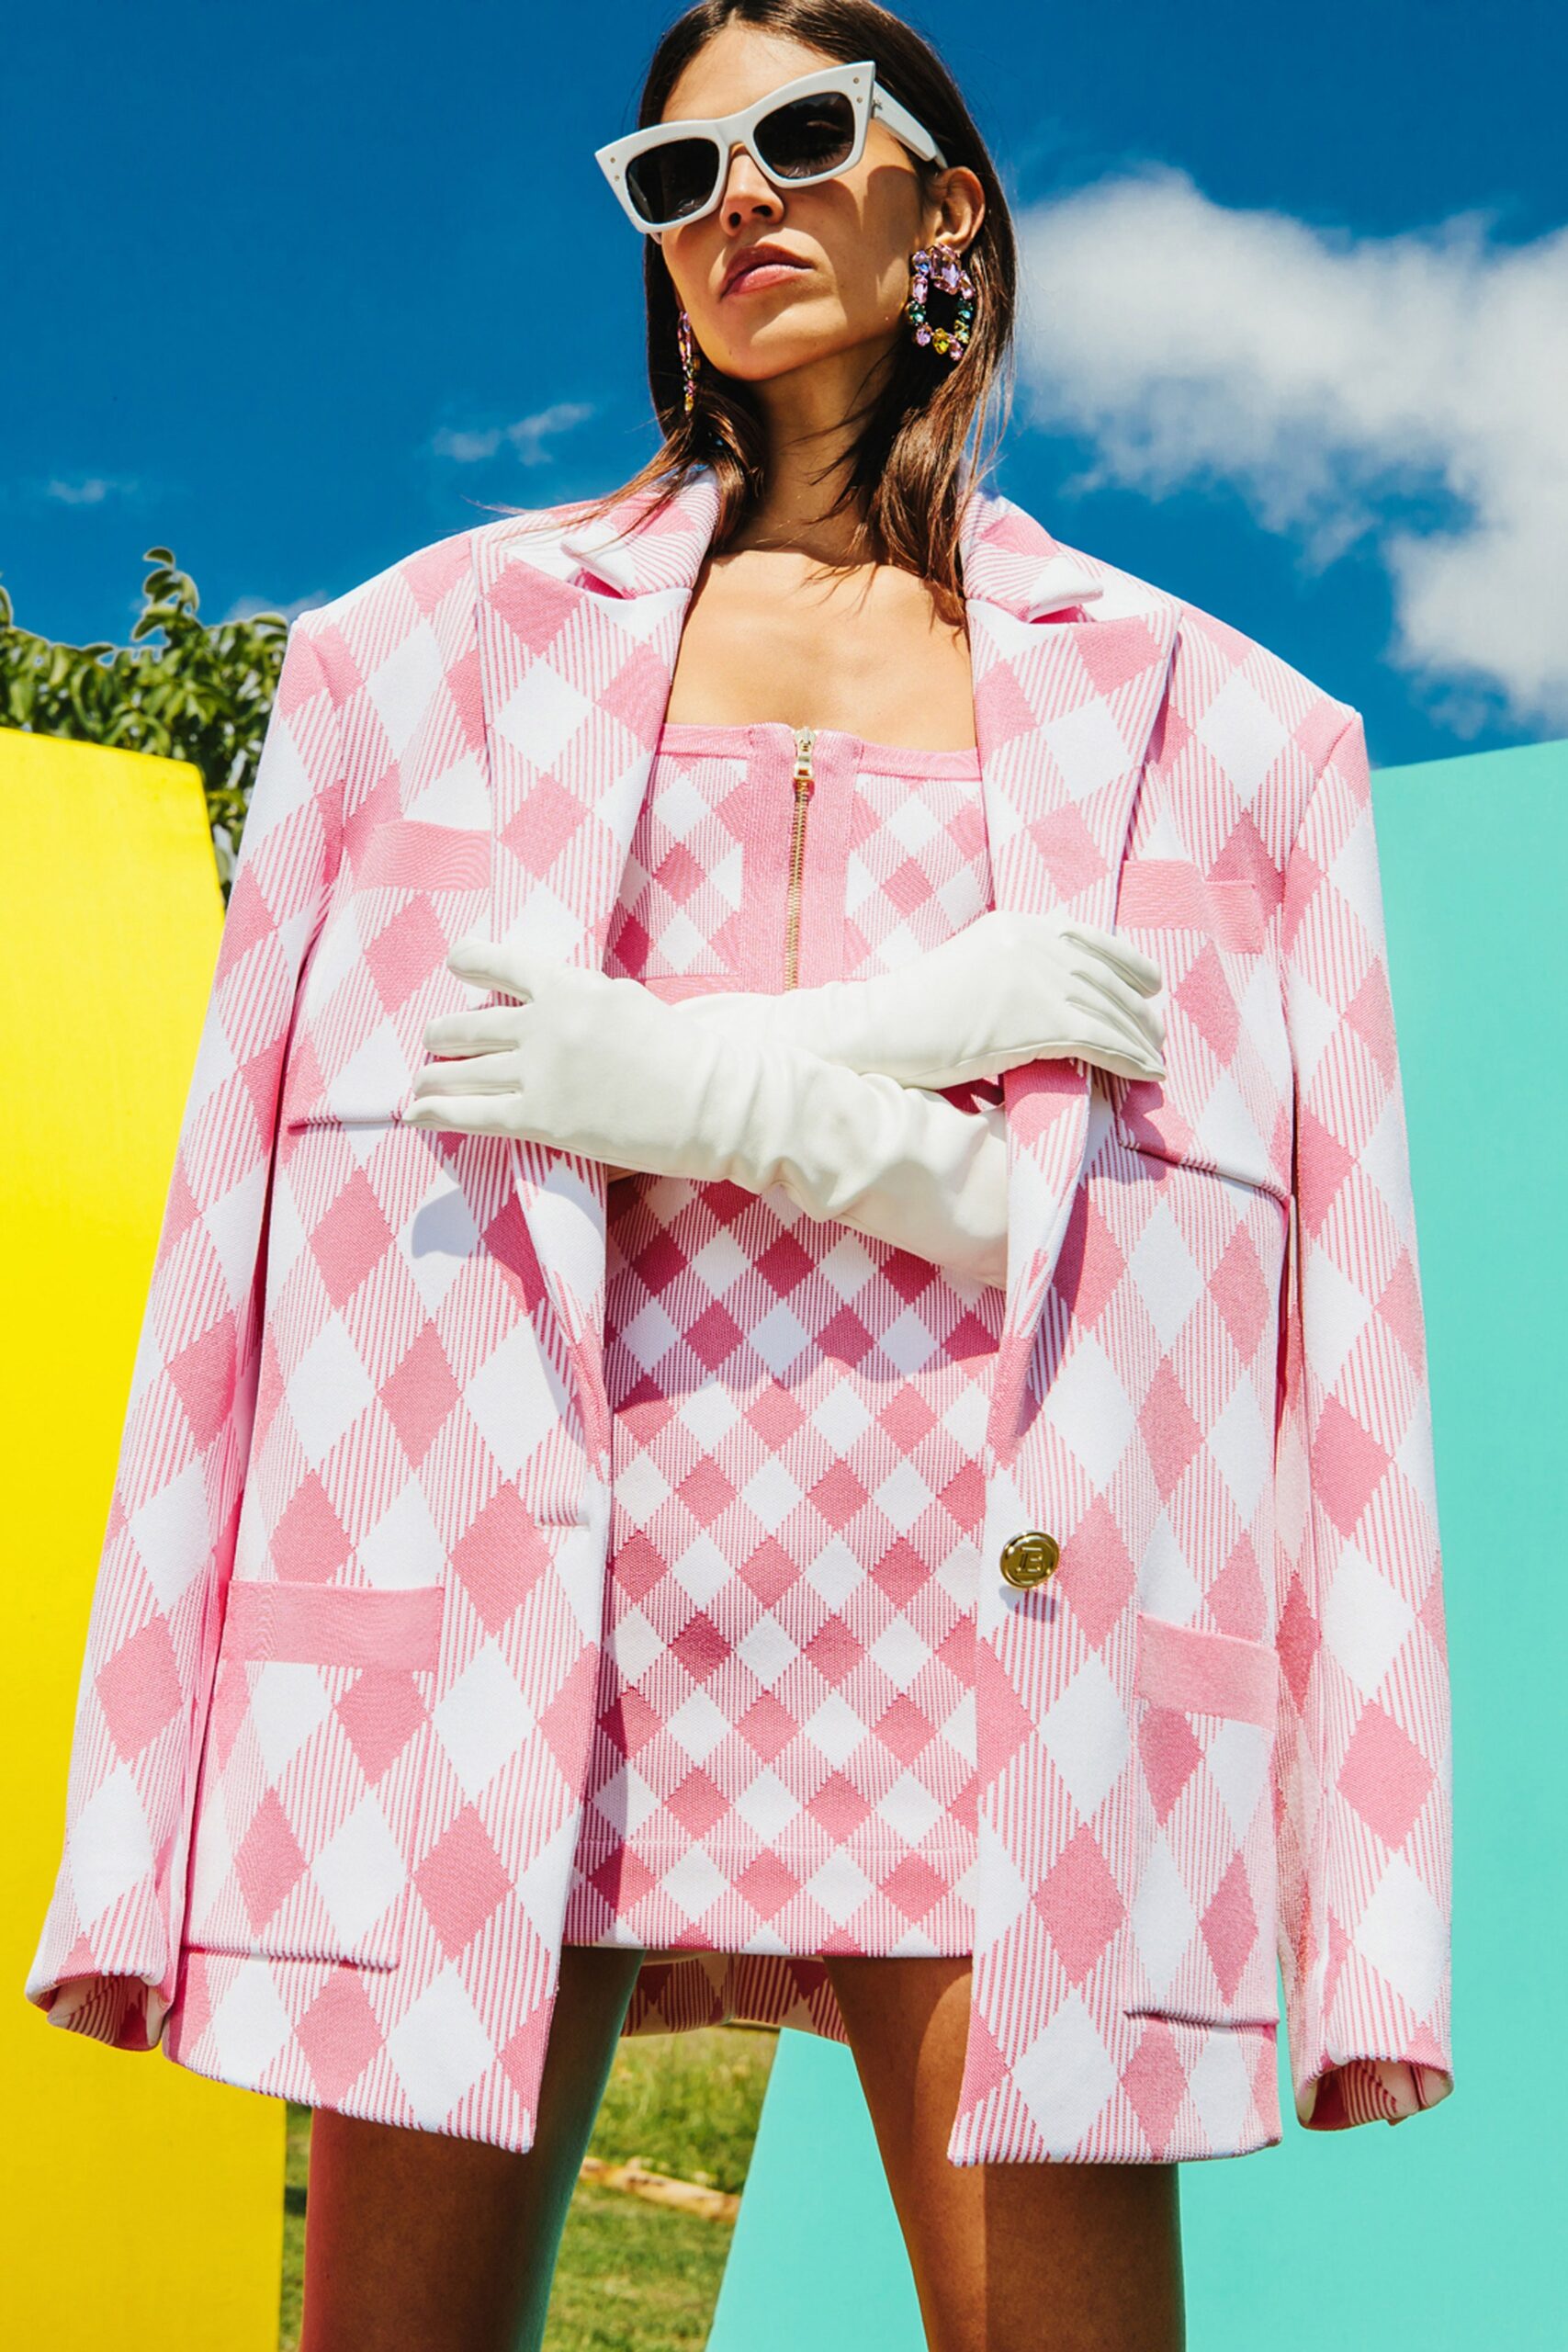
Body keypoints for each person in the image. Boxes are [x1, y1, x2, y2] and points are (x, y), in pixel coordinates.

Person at [24, 6, 1452, 2349]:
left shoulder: (1224, 733)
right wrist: (890, 1048)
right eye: (671, 179)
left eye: (799, 140)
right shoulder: (419, 665)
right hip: (515, 1616)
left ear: (945, 211)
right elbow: (274, 1226)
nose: (735, 206)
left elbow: (1293, 1327)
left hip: (991, 1642)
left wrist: (1366, 1900)